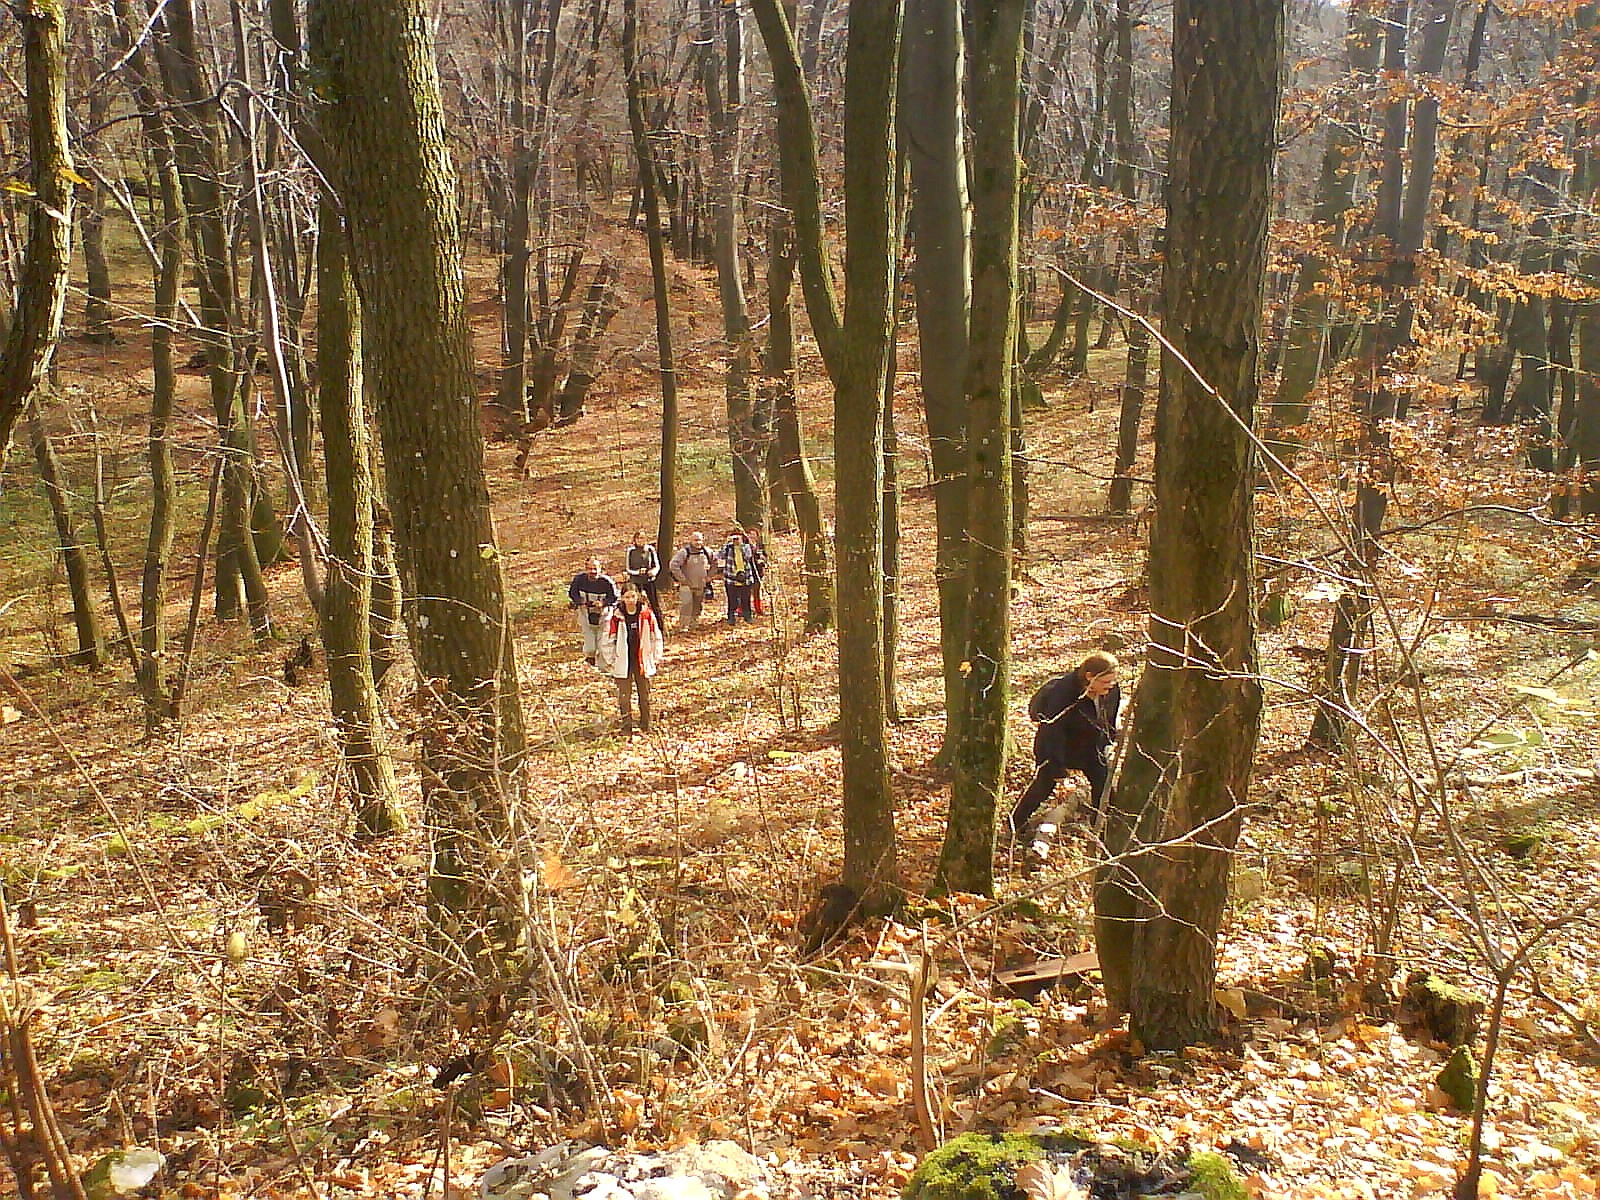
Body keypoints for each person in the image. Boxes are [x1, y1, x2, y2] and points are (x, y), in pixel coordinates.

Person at [1009, 651, 1122, 838]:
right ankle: (1016, 823)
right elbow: (1053, 732)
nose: (1110, 686)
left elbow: (1108, 718)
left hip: (1091, 746)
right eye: (1105, 682)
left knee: (1103, 784)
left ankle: (1101, 830)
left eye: (1112, 681)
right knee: (1044, 785)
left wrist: (1108, 741)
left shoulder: (1111, 690)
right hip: (1056, 747)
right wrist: (1057, 770)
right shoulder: (1063, 692)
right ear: (1089, 677)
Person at [598, 582, 664, 736]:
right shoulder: (615, 617)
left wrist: (655, 657)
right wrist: (611, 661)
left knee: (645, 694)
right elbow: (607, 640)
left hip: (642, 659)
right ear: (622, 598)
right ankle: (626, 725)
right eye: (627, 597)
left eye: (633, 596)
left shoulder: (646, 614)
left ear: (638, 596)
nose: (630, 600)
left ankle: (646, 724)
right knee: (624, 696)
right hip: (623, 661)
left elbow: (656, 637)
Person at [567, 556, 618, 665]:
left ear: (600, 569)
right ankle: (590, 662)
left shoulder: (607, 582)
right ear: (586, 569)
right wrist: (581, 601)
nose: (592, 572)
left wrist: (603, 603)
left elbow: (614, 598)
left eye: (595, 569)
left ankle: (604, 665)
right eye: (590, 569)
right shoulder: (579, 580)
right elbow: (572, 593)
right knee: (590, 645)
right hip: (585, 613)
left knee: (602, 643)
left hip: (604, 616)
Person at [668, 531, 716, 631]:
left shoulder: (707, 552)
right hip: (686, 585)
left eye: (699, 540)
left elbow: (715, 563)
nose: (698, 542)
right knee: (686, 604)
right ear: (690, 540)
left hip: (701, 584)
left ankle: (694, 623)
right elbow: (673, 565)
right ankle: (683, 626)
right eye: (695, 540)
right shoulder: (684, 552)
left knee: (697, 605)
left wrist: (710, 576)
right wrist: (682, 579)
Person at [720, 529, 758, 624]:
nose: (736, 540)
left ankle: (748, 616)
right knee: (732, 599)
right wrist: (727, 543)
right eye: (734, 538)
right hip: (731, 578)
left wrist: (741, 545)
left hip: (745, 578)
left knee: (746, 599)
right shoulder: (728, 548)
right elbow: (720, 556)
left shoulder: (746, 547)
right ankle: (731, 617)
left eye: (738, 537)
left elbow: (749, 556)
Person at [625, 531, 664, 620]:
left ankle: (659, 625)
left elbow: (657, 565)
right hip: (636, 582)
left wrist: (653, 572)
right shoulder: (630, 551)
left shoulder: (650, 550)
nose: (640, 540)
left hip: (649, 580)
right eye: (638, 538)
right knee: (637, 603)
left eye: (642, 538)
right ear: (634, 540)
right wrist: (638, 572)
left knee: (655, 604)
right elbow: (628, 569)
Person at [744, 526, 768, 616]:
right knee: (745, 592)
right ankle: (743, 609)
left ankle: (758, 609)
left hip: (758, 572)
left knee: (757, 592)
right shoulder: (745, 546)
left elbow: (766, 556)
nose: (752, 537)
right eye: (750, 535)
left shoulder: (761, 546)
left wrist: (762, 560)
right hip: (747, 572)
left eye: (754, 535)